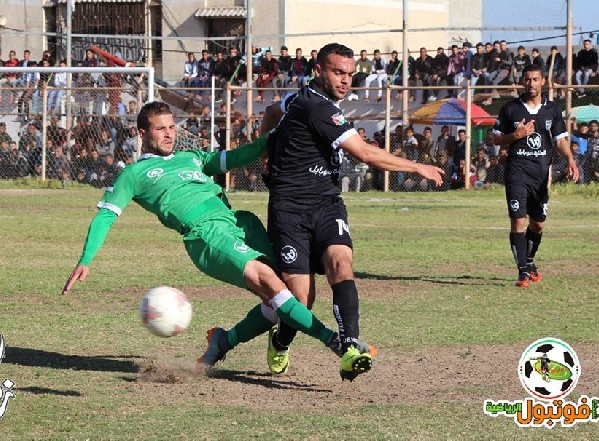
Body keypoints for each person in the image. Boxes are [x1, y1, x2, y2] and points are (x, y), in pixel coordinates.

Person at [62, 101, 370, 380]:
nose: (169, 134)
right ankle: (337, 343)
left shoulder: (191, 158)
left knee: (289, 294)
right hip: (205, 236)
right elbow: (106, 215)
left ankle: (224, 340)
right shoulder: (134, 174)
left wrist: (272, 137)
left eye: (171, 127)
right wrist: (85, 259)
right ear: (142, 132)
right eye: (160, 129)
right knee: (269, 282)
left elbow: (236, 157)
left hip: (238, 223)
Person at [260, 43, 444, 379]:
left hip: (327, 203)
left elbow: (273, 111)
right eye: (337, 72)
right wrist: (416, 166)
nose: (346, 80)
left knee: (341, 263)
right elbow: (364, 153)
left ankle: (350, 348)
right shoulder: (316, 106)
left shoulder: (299, 100)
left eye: (349, 74)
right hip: (289, 209)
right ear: (319, 71)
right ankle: (281, 341)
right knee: (301, 299)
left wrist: (267, 147)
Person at [492, 64, 579, 287]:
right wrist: (516, 135)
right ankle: (522, 272)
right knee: (518, 220)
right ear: (523, 82)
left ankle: (529, 260)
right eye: (528, 79)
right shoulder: (511, 108)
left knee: (538, 224)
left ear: (543, 82)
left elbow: (559, 140)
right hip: (516, 172)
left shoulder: (552, 109)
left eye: (535, 79)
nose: (531, 83)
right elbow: (495, 139)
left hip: (540, 176)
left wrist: (570, 159)